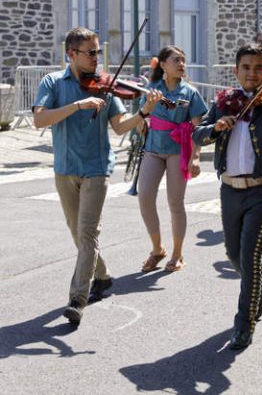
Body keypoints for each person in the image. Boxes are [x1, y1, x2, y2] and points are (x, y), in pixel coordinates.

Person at [33, 27, 163, 325]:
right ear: (71, 54)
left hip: (96, 168)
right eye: (90, 53)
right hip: (65, 168)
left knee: (88, 232)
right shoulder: (53, 82)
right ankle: (102, 276)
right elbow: (40, 119)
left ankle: (78, 298)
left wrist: (144, 112)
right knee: (77, 232)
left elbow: (119, 126)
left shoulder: (106, 85)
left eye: (97, 52)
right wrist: (78, 105)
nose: (96, 58)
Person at [192, 43, 262, 350]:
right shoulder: (225, 101)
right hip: (229, 189)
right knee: (233, 254)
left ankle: (244, 322)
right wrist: (216, 128)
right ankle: (259, 284)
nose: (252, 74)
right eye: (246, 68)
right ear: (236, 71)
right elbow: (198, 133)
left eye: (259, 68)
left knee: (251, 258)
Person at [136, 46, 208, 273]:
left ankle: (177, 254)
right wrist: (142, 122)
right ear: (163, 65)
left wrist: (195, 157)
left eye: (183, 60)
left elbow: (198, 128)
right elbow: (141, 117)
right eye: (176, 60)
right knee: (145, 197)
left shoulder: (190, 92)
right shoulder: (152, 89)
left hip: (178, 150)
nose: (181, 64)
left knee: (175, 203)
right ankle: (157, 249)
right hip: (153, 148)